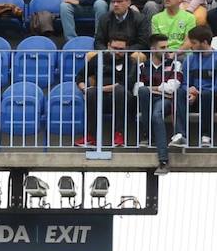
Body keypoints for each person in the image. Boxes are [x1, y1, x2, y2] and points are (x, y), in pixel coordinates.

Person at [75, 33, 135, 148]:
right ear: (108, 46)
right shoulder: (98, 58)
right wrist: (84, 88)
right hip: (100, 98)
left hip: (122, 99)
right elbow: (80, 76)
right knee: (91, 93)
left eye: (121, 49)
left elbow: (127, 83)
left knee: (119, 90)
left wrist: (99, 88)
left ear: (126, 49)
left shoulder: (130, 61)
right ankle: (91, 136)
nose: (117, 52)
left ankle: (119, 134)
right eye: (115, 48)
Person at [137, 32, 182, 170]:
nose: (167, 50)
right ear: (153, 49)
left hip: (166, 101)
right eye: (162, 47)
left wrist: (153, 88)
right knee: (143, 92)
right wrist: (160, 88)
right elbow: (136, 89)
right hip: (148, 100)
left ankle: (163, 159)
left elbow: (172, 87)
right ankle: (147, 133)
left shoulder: (175, 64)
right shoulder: (142, 66)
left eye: (167, 47)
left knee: (157, 114)